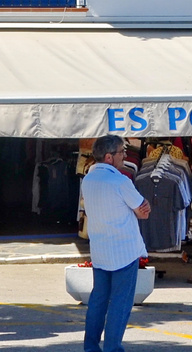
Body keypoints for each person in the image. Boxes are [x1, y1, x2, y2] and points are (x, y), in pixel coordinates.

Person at [80, 134, 150, 352]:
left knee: (98, 301)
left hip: (100, 250)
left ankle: (91, 347)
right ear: (109, 157)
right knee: (120, 304)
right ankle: (112, 348)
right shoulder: (121, 181)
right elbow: (143, 211)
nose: (125, 156)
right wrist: (139, 207)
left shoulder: (88, 180)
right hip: (124, 250)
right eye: (122, 152)